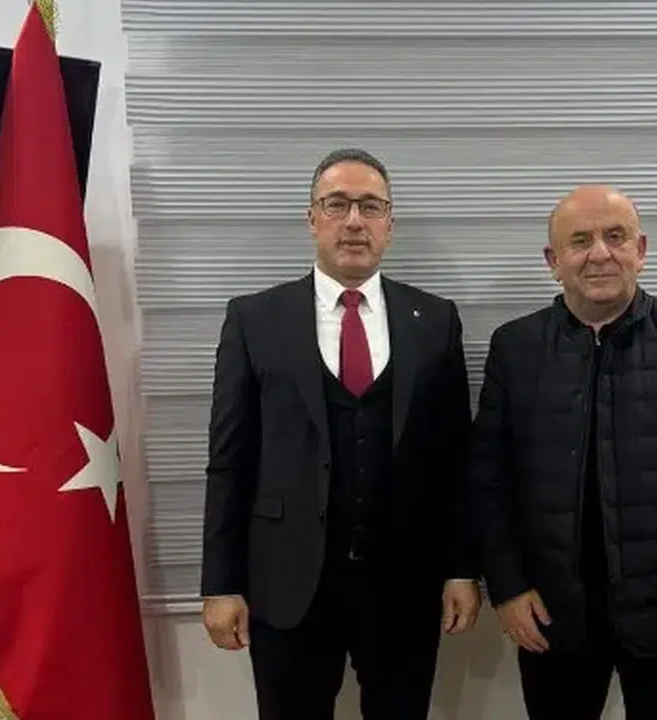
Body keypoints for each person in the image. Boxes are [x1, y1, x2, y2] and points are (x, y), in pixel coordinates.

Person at [199, 148, 481, 719]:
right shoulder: (254, 319)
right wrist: (220, 583)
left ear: (389, 224)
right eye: (337, 205)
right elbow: (230, 460)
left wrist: (460, 568)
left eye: (371, 206)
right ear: (312, 218)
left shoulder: (436, 320)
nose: (354, 221)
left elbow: (455, 461)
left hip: (403, 585)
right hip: (288, 583)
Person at [468, 185, 657, 719]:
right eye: (580, 241)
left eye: (615, 236)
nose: (599, 253)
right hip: (550, 612)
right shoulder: (515, 347)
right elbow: (490, 479)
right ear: (553, 261)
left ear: (640, 250)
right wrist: (507, 587)